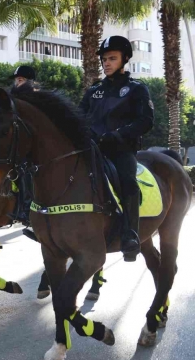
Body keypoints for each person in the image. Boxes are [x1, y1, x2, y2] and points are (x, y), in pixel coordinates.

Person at [79, 35, 154, 262]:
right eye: (104, 59)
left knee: (128, 182)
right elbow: (78, 118)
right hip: (93, 149)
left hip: (121, 150)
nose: (106, 63)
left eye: (112, 58)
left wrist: (118, 135)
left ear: (125, 59)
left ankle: (130, 235)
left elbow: (146, 121)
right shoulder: (94, 90)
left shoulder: (136, 89)